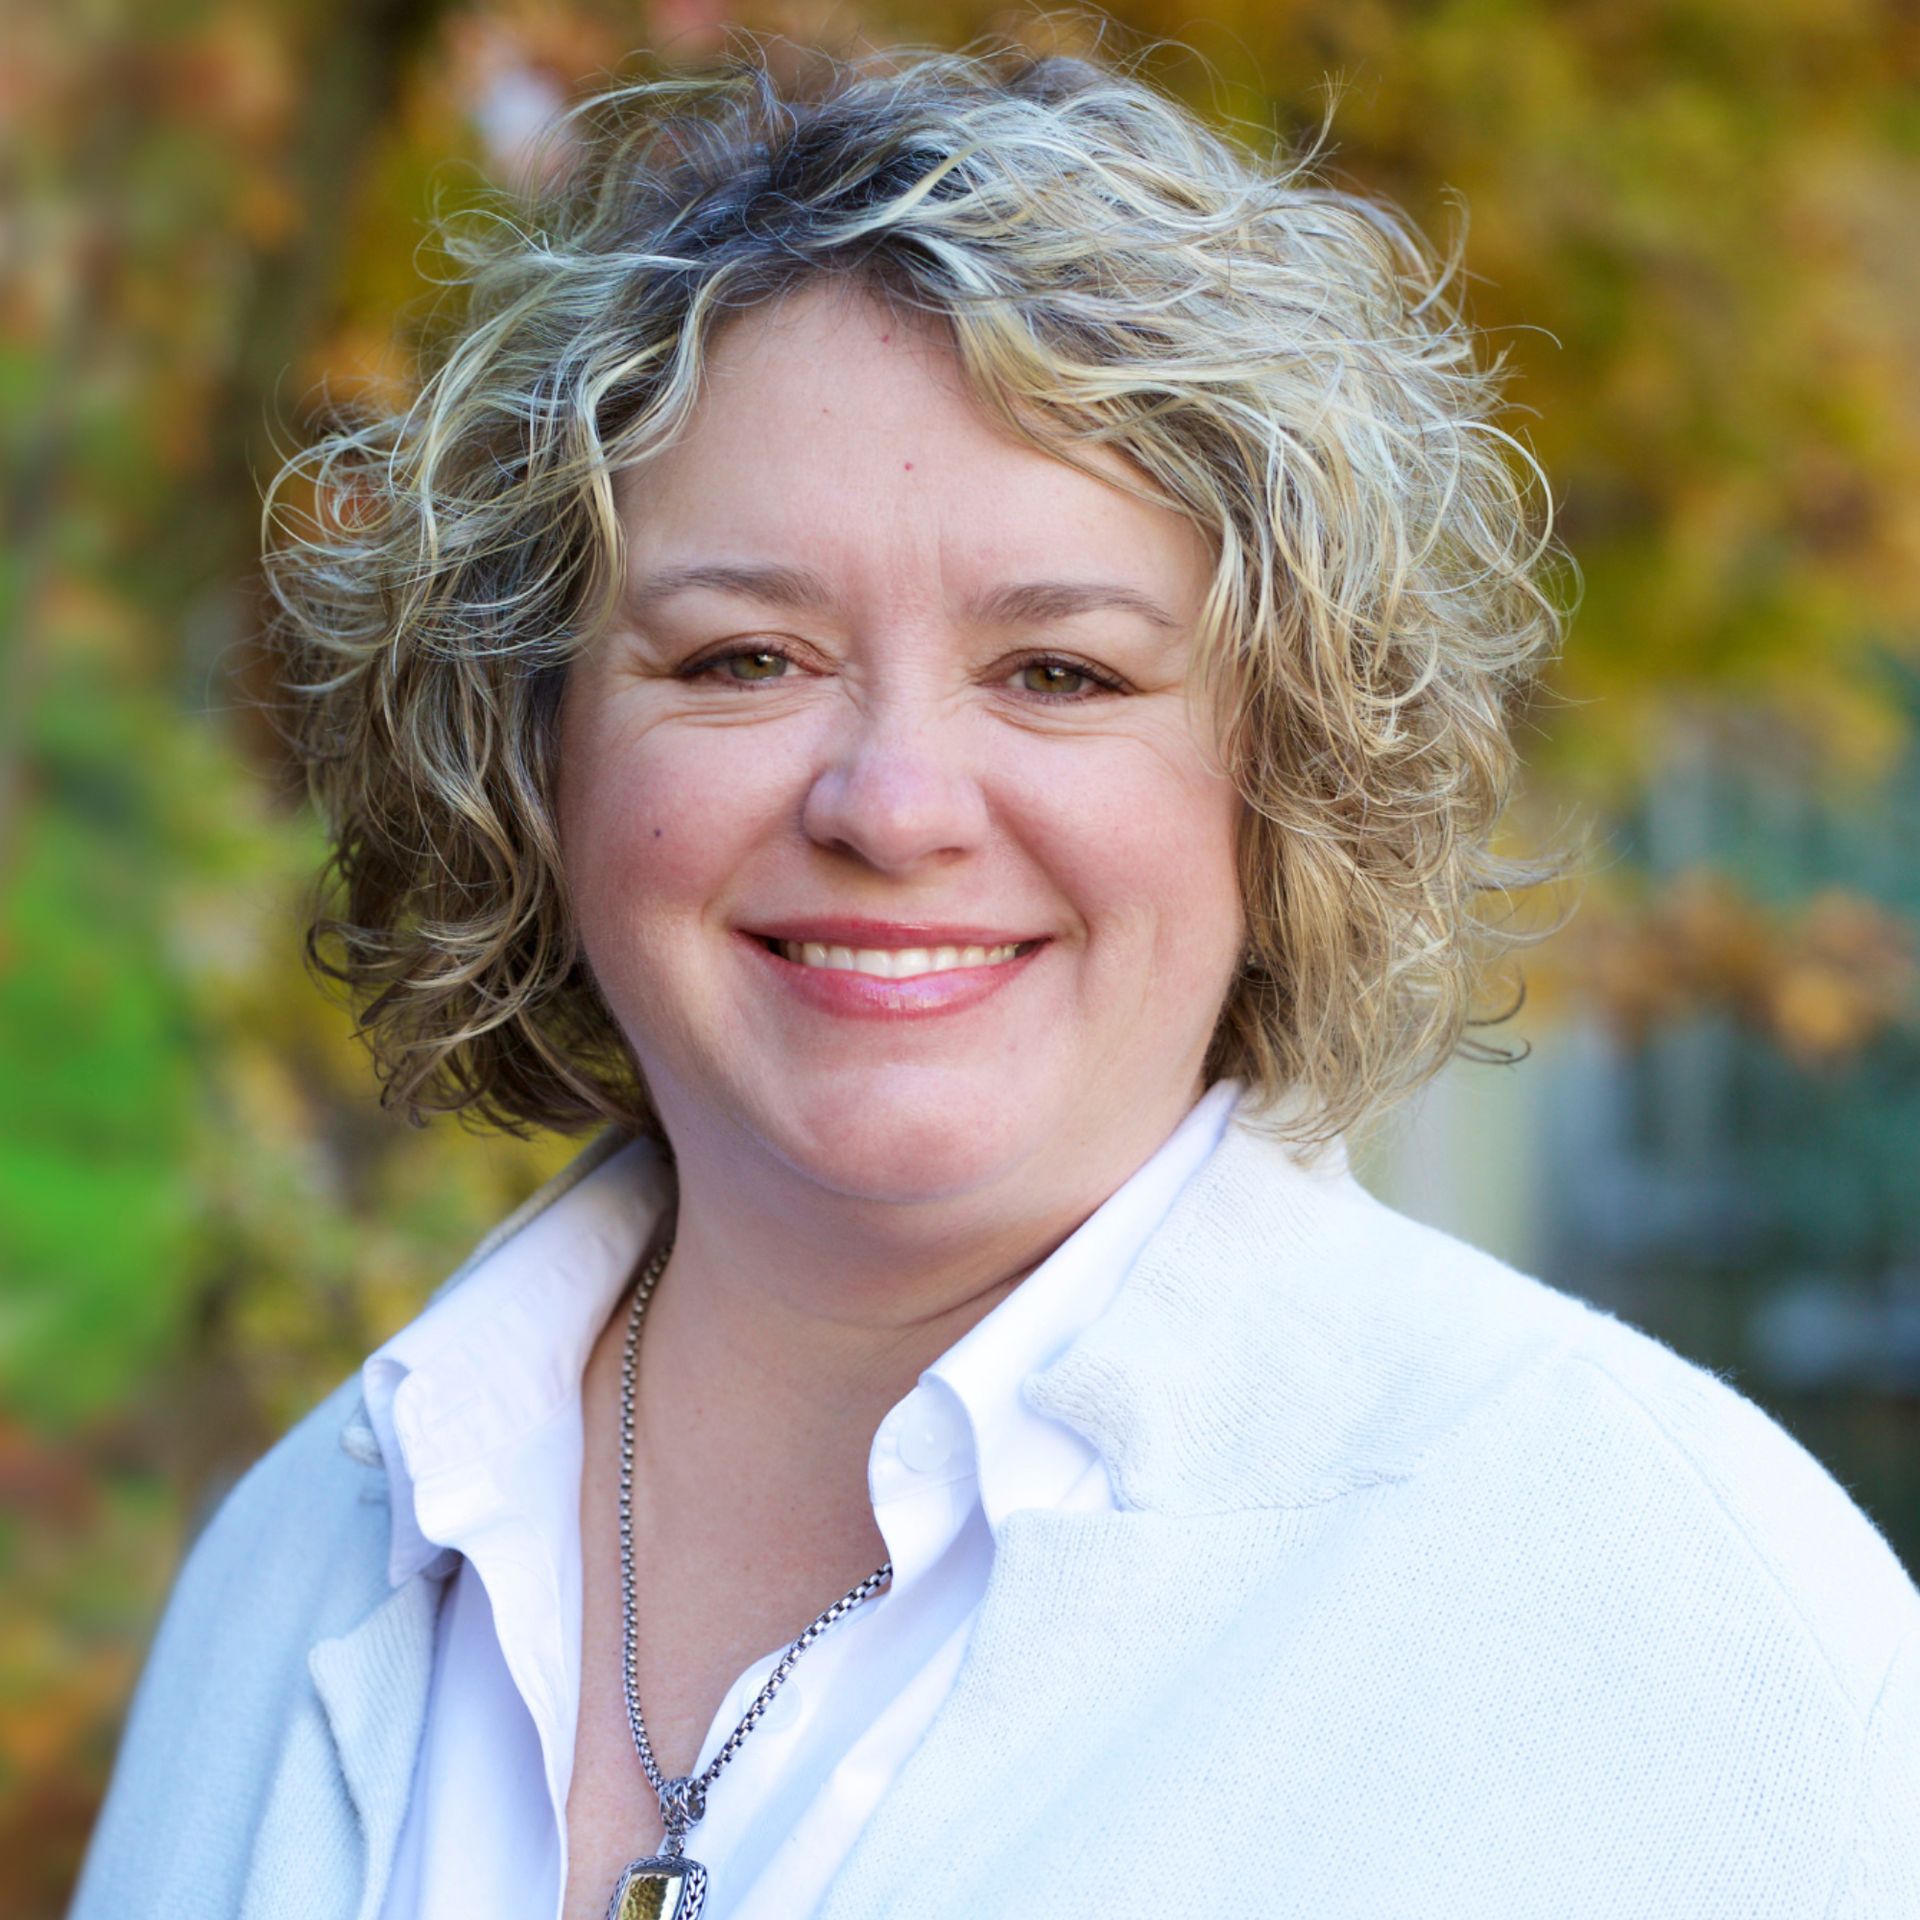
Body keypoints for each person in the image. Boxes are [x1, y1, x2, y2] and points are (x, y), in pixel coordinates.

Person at [67, 33, 1919, 1920]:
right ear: (532, 749)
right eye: (742, 659)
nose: (891, 804)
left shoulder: (1686, 1619)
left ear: (1288, 777)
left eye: (1063, 674)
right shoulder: (311, 1549)